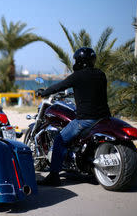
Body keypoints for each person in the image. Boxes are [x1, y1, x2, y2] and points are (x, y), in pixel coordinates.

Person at [36, 47, 111, 186]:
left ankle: (53, 176)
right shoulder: (101, 74)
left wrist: (44, 92)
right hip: (104, 118)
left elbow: (60, 86)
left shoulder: (78, 76)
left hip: (85, 120)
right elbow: (90, 90)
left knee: (59, 140)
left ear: (80, 61)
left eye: (76, 60)